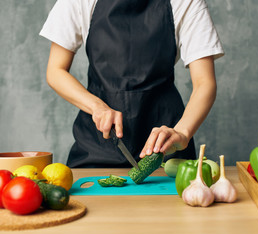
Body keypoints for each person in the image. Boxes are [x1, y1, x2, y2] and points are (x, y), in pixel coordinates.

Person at [40, 0, 224, 168]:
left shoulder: (186, 2)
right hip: (96, 145)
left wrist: (182, 133)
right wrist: (97, 107)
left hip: (166, 147)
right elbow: (56, 71)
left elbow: (204, 83)